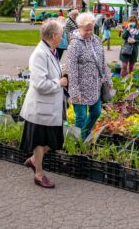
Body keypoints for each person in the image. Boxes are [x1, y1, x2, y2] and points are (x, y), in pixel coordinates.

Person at [20, 19, 68, 188]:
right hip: (40, 107)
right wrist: (59, 82)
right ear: (54, 36)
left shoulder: (51, 51)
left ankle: (34, 161)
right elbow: (40, 84)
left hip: (49, 107)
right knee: (40, 141)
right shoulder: (40, 53)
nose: (62, 38)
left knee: (53, 140)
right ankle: (39, 174)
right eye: (61, 35)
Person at [66, 12, 112, 139]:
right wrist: (75, 91)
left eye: (91, 29)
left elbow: (102, 61)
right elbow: (72, 69)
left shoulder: (96, 40)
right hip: (79, 87)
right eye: (86, 30)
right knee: (81, 116)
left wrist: (107, 78)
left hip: (94, 85)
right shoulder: (74, 44)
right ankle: (77, 141)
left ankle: (84, 134)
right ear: (79, 27)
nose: (89, 32)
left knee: (96, 112)